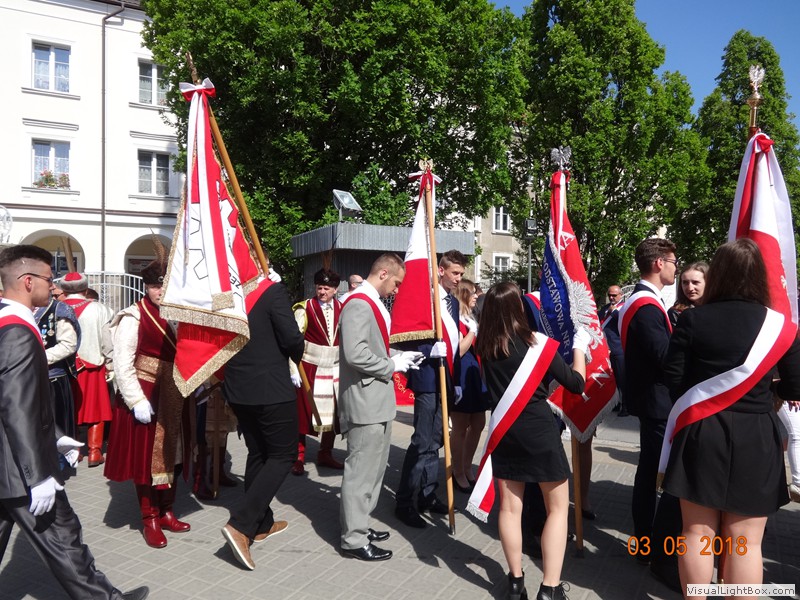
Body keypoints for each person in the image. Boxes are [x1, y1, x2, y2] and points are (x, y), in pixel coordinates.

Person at [0, 244, 148, 600]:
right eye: (48, 279)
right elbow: (17, 406)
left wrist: (55, 437)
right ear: (27, 281)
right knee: (65, 540)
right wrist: (38, 476)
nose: (53, 287)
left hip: (8, 462)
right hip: (20, 470)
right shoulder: (18, 331)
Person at [661, 239, 800, 597]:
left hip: (702, 431)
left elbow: (673, 380)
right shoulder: (781, 327)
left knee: (696, 534)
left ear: (718, 274)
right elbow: (796, 386)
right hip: (757, 435)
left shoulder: (693, 319)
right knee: (746, 542)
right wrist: (767, 392)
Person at [473, 282, 588, 600]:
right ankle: (550, 588)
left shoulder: (485, 347)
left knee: (510, 510)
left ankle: (515, 582)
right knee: (558, 509)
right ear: (519, 308)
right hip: (539, 433)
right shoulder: (538, 344)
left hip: (505, 433)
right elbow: (576, 384)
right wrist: (579, 348)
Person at [220, 267, 305, 571]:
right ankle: (241, 525)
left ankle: (261, 522)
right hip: (270, 388)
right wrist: (297, 348)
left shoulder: (229, 296)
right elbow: (292, 339)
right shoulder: (271, 291)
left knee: (258, 453)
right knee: (283, 455)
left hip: (237, 388)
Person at [104, 257, 191, 549]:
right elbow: (122, 364)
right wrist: (136, 400)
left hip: (174, 393)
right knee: (146, 461)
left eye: (164, 286)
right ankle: (149, 517)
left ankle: (167, 510)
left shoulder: (178, 314)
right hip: (147, 394)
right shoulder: (134, 316)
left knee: (173, 454)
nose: (160, 291)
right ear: (146, 287)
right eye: (155, 286)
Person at [339, 253, 421, 561]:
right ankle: (353, 538)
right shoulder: (359, 303)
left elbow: (372, 347)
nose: (397, 290)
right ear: (383, 273)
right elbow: (355, 353)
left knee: (372, 471)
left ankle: (360, 524)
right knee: (361, 472)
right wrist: (391, 364)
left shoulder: (370, 301)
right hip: (365, 402)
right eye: (396, 283)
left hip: (375, 401)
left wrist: (397, 356)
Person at [617, 238, 682, 590]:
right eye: (673, 261)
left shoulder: (644, 301)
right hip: (657, 402)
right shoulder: (645, 305)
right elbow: (665, 356)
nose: (676, 267)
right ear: (659, 263)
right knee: (659, 475)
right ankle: (653, 548)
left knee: (649, 472)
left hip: (653, 400)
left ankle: (646, 542)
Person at [394, 249, 465, 528]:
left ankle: (427, 494)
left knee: (437, 439)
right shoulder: (425, 299)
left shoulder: (453, 303)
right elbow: (407, 336)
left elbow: (454, 343)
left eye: (461, 274)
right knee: (422, 441)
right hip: (426, 377)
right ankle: (404, 501)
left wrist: (456, 380)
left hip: (446, 377)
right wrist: (428, 351)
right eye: (455, 273)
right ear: (441, 270)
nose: (458, 278)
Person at [290, 268, 344, 476]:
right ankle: (298, 456)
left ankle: (325, 453)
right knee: (303, 412)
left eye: (327, 288)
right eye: (320, 287)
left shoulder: (343, 308)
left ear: (335, 289)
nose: (322, 292)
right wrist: (293, 369)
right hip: (309, 366)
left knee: (333, 412)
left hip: (335, 367)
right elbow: (294, 341)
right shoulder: (304, 308)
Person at [61, 272, 115, 467]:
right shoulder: (101, 310)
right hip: (92, 366)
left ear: (64, 290)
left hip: (63, 367)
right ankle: (94, 451)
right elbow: (107, 341)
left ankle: (74, 451)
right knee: (96, 409)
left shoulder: (55, 307)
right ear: (85, 289)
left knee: (69, 409)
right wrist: (111, 363)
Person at [34, 283, 81, 464]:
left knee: (55, 423)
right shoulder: (17, 308)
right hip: (23, 377)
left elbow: (68, 344)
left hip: (52, 378)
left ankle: (57, 465)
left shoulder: (59, 310)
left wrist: (38, 358)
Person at [450, 278, 488, 493]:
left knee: (479, 422)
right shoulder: (455, 318)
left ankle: (466, 466)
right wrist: (473, 331)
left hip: (475, 374)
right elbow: (458, 351)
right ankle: (457, 471)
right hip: (461, 375)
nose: (476, 296)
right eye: (472, 293)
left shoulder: (471, 317)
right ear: (463, 294)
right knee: (461, 426)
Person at [598, 285, 627, 416]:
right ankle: (616, 403)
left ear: (620, 295)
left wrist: (614, 312)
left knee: (622, 378)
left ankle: (626, 405)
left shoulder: (624, 308)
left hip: (618, 349)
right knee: (612, 379)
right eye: (609, 295)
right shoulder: (605, 308)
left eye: (614, 295)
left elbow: (624, 321)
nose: (611, 297)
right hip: (605, 349)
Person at [667, 261, 708, 328]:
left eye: (695, 282)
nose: (690, 288)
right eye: (685, 283)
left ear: (708, 283)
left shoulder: (719, 309)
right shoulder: (676, 312)